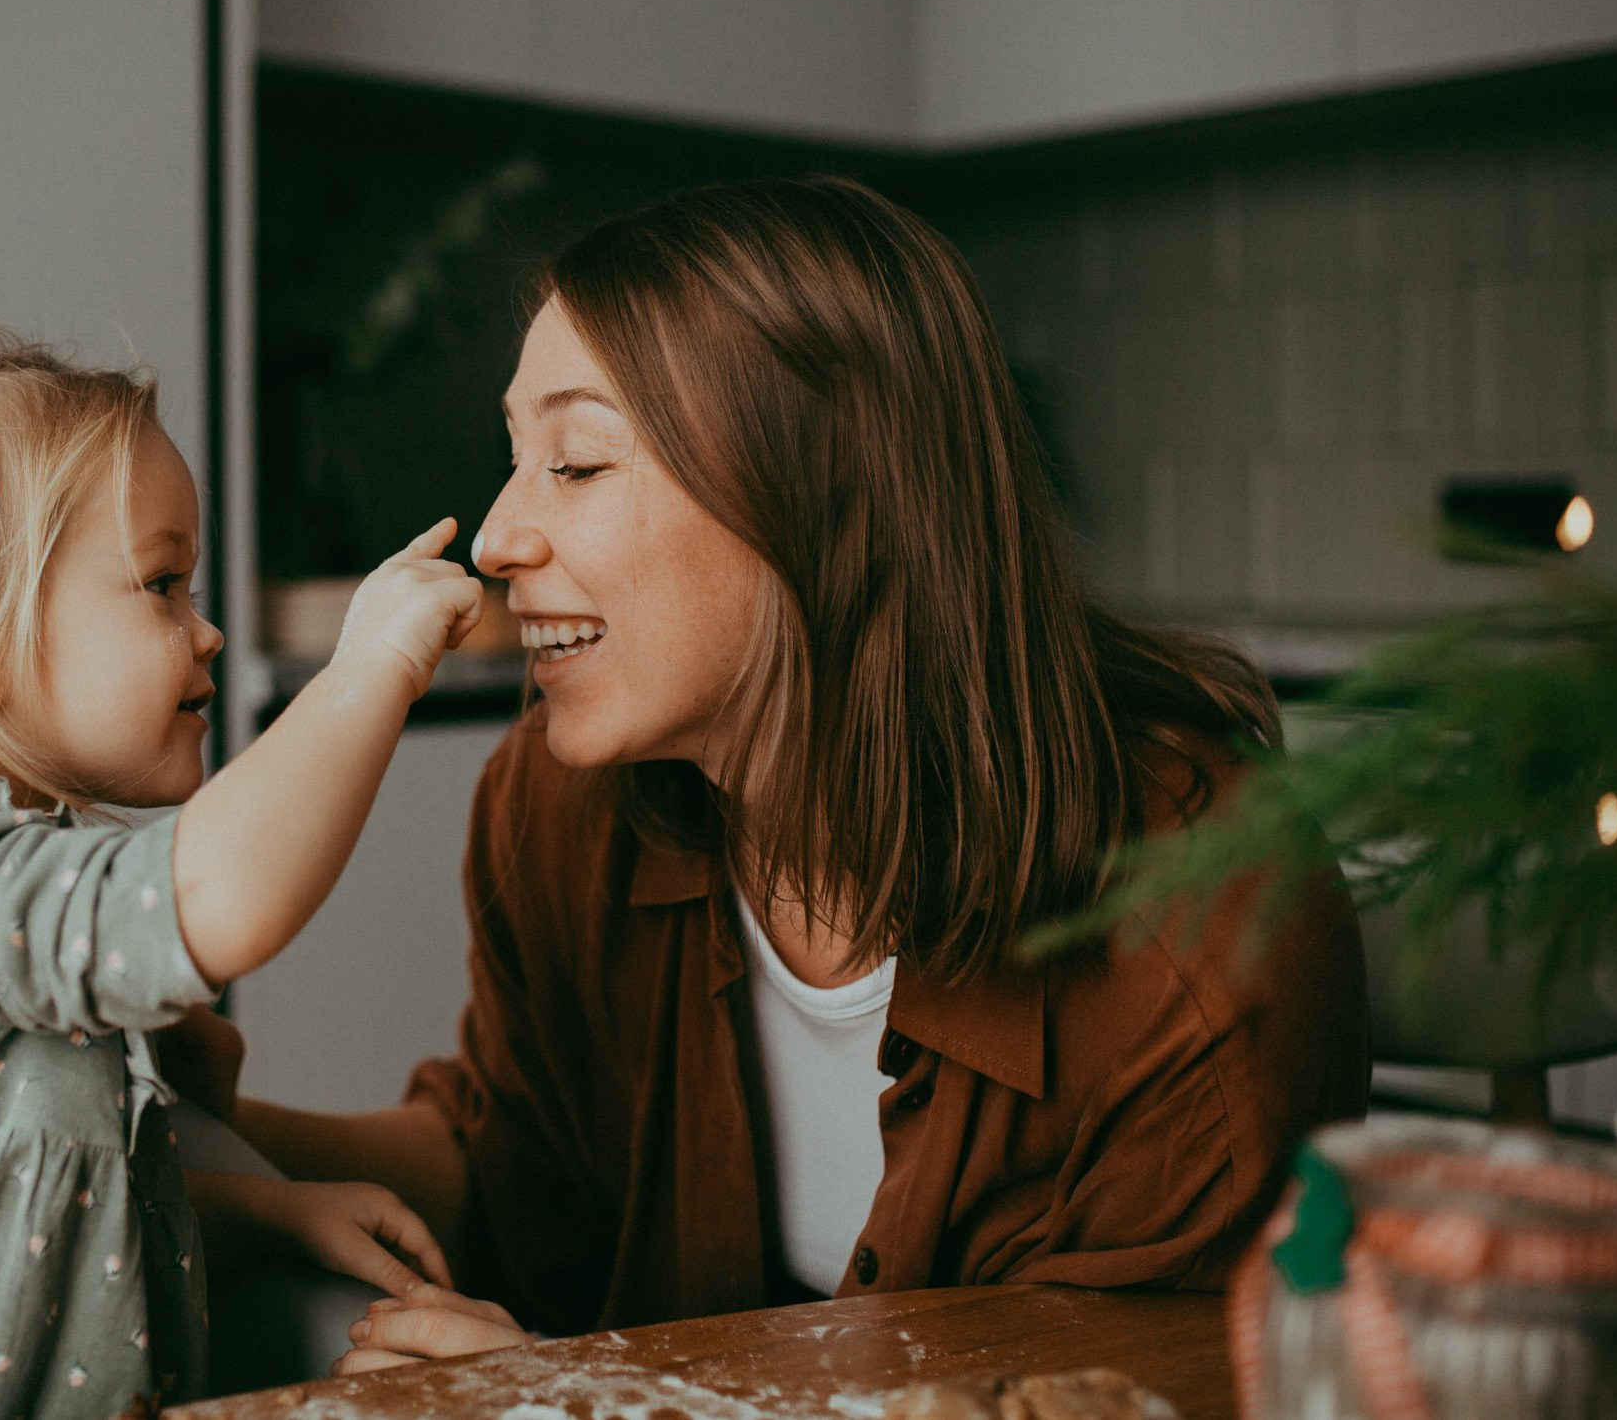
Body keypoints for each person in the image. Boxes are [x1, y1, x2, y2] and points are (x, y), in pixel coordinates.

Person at [211, 176, 1371, 1370]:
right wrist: (175, 1134)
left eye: (577, 464)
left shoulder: (1196, 936)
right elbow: (515, 1163)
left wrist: (576, 1403)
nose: (498, 536)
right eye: (514, 458)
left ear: (826, 494)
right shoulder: (560, 807)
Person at [0, 319, 482, 1420]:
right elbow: (218, 896)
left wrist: (268, 1215)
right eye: (162, 585)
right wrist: (372, 667)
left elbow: (27, 1221)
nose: (203, 632)